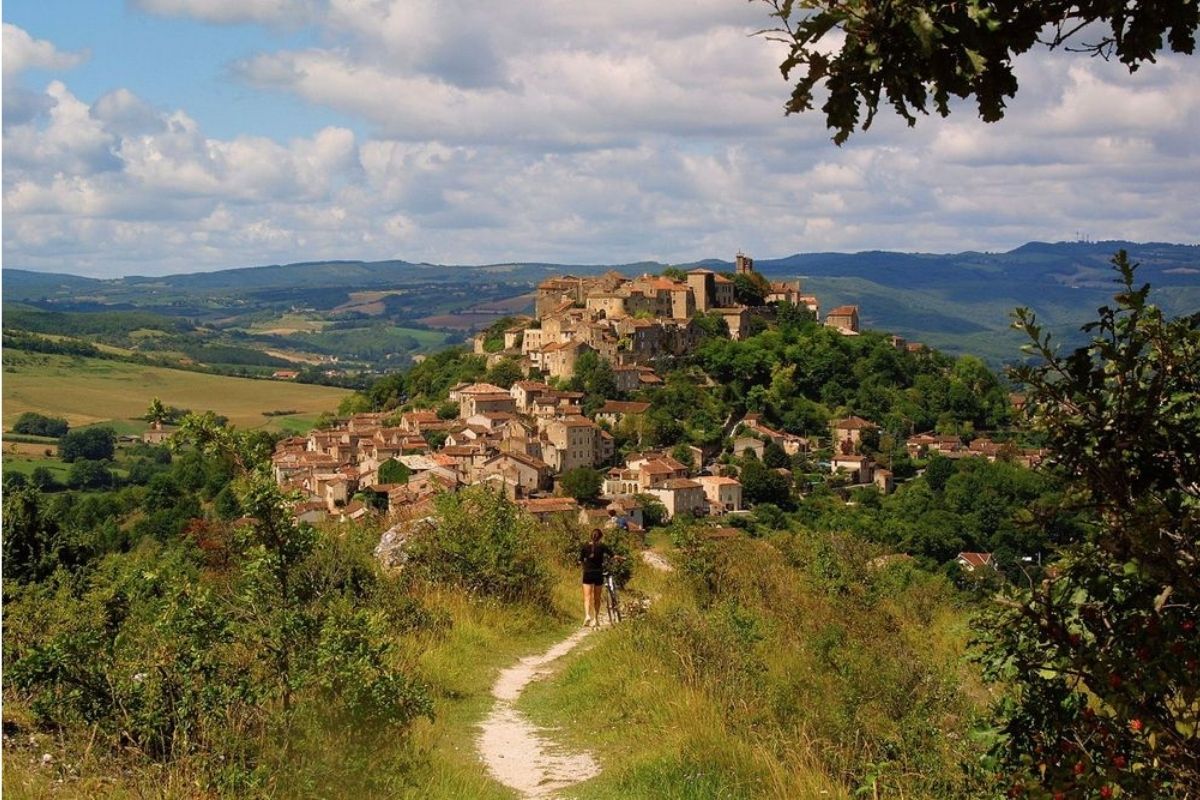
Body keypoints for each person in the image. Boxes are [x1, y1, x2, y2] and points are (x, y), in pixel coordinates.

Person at [579, 528, 612, 627]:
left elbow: (580, 560)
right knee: (597, 598)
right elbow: (612, 555)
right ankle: (596, 618)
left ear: (591, 536)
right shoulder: (602, 546)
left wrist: (585, 566)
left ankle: (587, 615)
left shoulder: (585, 546)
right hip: (598, 574)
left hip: (588, 573)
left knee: (587, 597)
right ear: (600, 537)